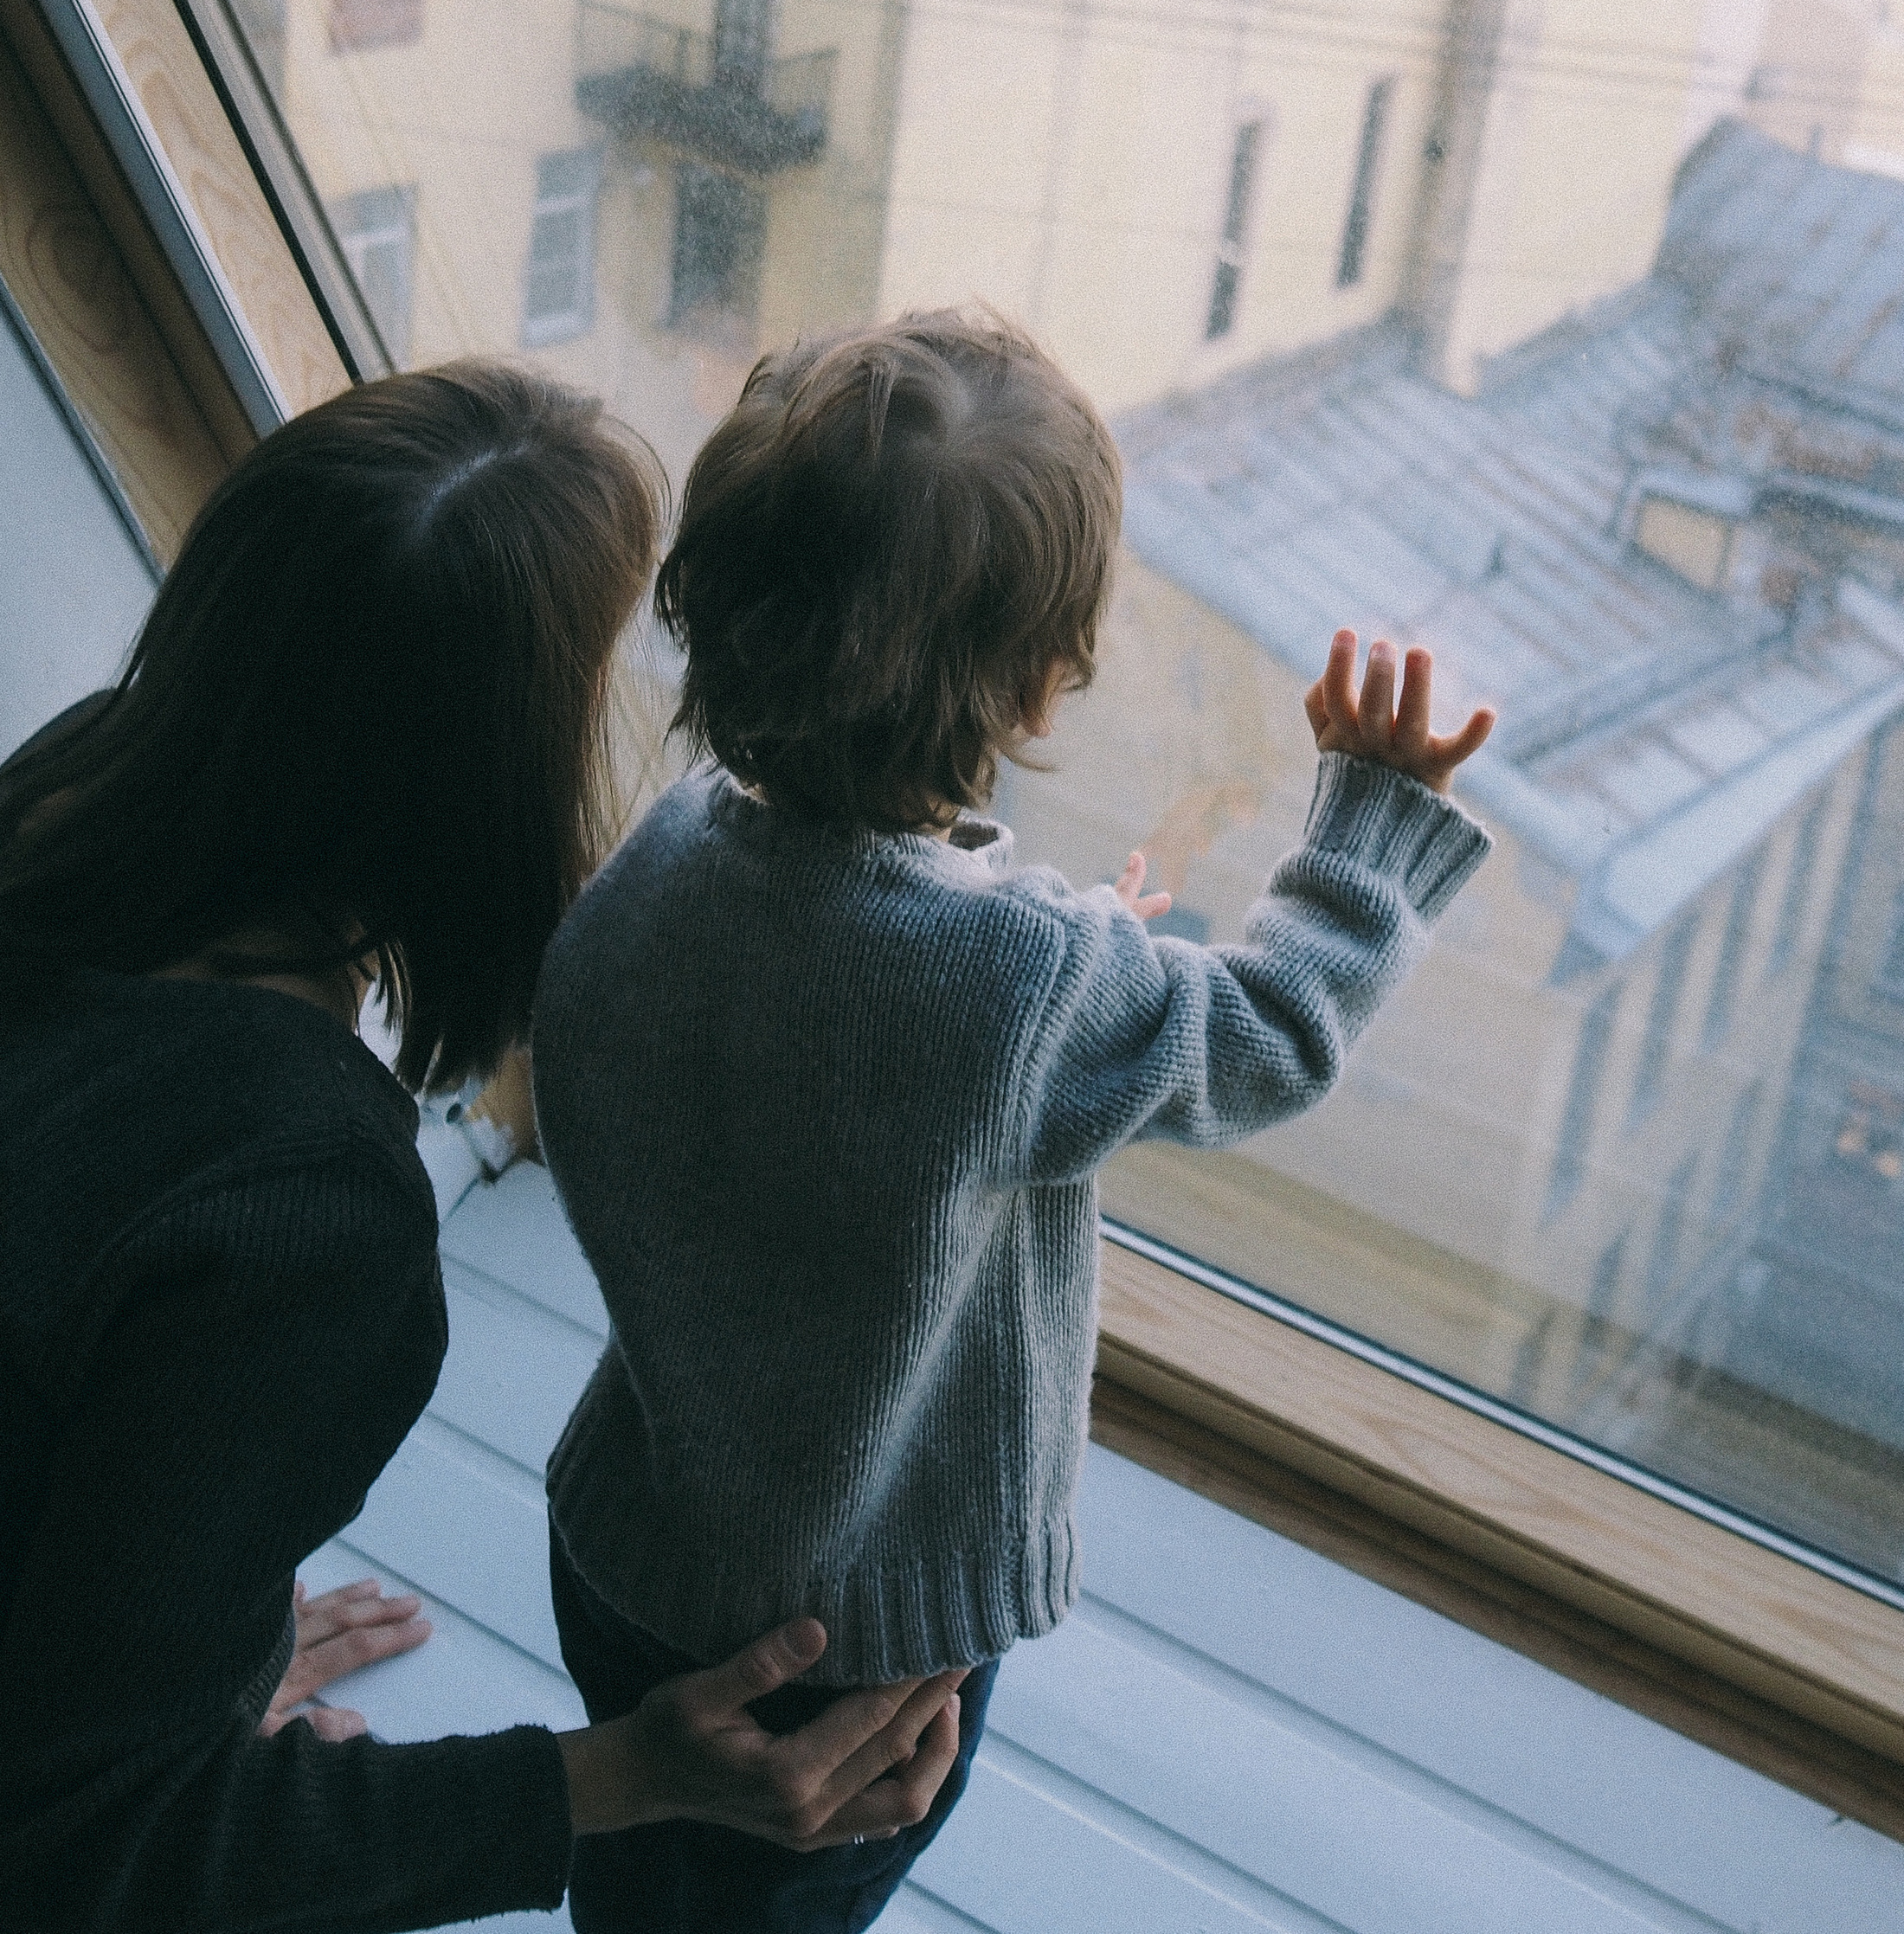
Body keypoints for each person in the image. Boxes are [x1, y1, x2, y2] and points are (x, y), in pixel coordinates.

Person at [530, 307, 1497, 1933]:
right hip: (845, 1659)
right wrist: (1371, 831)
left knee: (643, 1881)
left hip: (628, 1553)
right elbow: (1269, 1033)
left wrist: (1032, 957)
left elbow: (792, 1036)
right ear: (1041, 688)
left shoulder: (664, 856)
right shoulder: (1020, 986)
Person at [0, 362, 968, 1934]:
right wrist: (623, 1774)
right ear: (498, 772)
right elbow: (81, 1853)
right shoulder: (299, 1209)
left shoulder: (64, 794)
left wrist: (162, 1640)